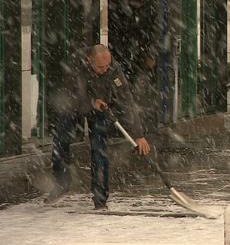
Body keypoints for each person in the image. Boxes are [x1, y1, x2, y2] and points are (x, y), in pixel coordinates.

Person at [45, 44, 151, 209]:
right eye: (101, 67)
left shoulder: (114, 70)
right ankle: (62, 183)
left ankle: (100, 199)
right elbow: (74, 96)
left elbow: (126, 101)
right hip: (74, 105)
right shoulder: (76, 67)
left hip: (101, 109)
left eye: (107, 65)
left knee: (99, 150)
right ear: (89, 60)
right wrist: (92, 102)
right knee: (60, 140)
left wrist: (138, 134)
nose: (105, 69)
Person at [133, 51, 161, 134]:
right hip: (145, 98)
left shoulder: (153, 71)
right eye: (151, 60)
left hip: (149, 98)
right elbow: (140, 86)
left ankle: (150, 130)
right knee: (144, 114)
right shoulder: (144, 72)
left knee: (149, 113)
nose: (152, 63)